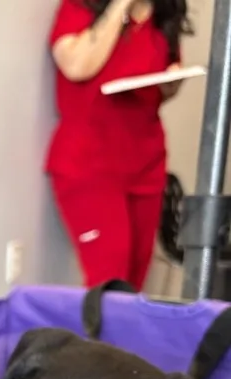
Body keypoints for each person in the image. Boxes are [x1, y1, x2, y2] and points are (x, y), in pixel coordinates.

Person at [46, 0, 192, 290]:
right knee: (109, 279)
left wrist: (172, 83)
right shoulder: (79, 8)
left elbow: (158, 91)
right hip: (89, 162)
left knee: (136, 278)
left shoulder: (163, 17)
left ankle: (121, 338)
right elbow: (76, 67)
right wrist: (119, 7)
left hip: (146, 161)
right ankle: (99, 336)